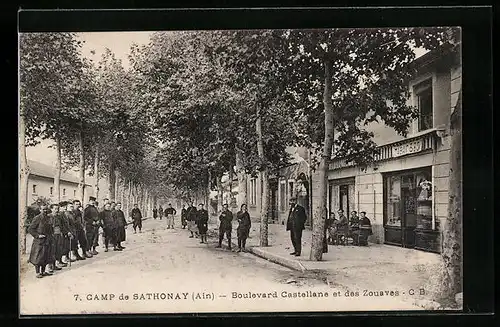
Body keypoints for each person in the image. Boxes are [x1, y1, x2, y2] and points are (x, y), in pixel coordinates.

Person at [28, 203, 53, 278]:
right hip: (39, 241)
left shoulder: (48, 218)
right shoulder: (37, 218)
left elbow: (50, 228)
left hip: (47, 240)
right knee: (38, 257)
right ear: (40, 210)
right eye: (43, 209)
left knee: (46, 256)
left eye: (46, 209)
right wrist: (38, 235)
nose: (45, 211)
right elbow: (30, 229)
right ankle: (38, 272)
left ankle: (43, 271)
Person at [48, 203, 68, 271]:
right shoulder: (48, 217)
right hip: (52, 235)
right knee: (51, 250)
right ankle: (50, 266)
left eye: (58, 209)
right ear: (51, 209)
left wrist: (65, 232)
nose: (57, 210)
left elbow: (62, 226)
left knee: (58, 249)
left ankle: (55, 264)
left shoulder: (59, 217)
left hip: (59, 234)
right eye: (55, 209)